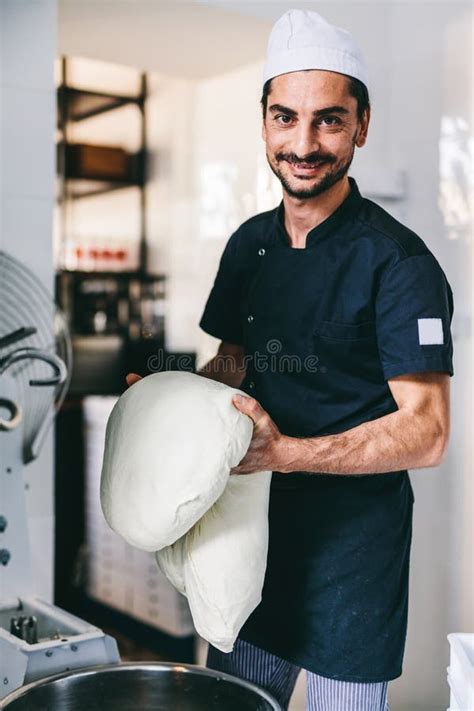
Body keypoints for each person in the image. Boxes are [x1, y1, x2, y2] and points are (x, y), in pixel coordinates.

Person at [127, 9, 454, 711]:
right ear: (265, 121)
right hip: (246, 544)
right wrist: (167, 403)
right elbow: (233, 368)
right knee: (231, 705)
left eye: (329, 121)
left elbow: (426, 430)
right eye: (285, 117)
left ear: (362, 124)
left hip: (353, 565)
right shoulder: (248, 245)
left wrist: (287, 452)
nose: (303, 143)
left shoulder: (400, 264)